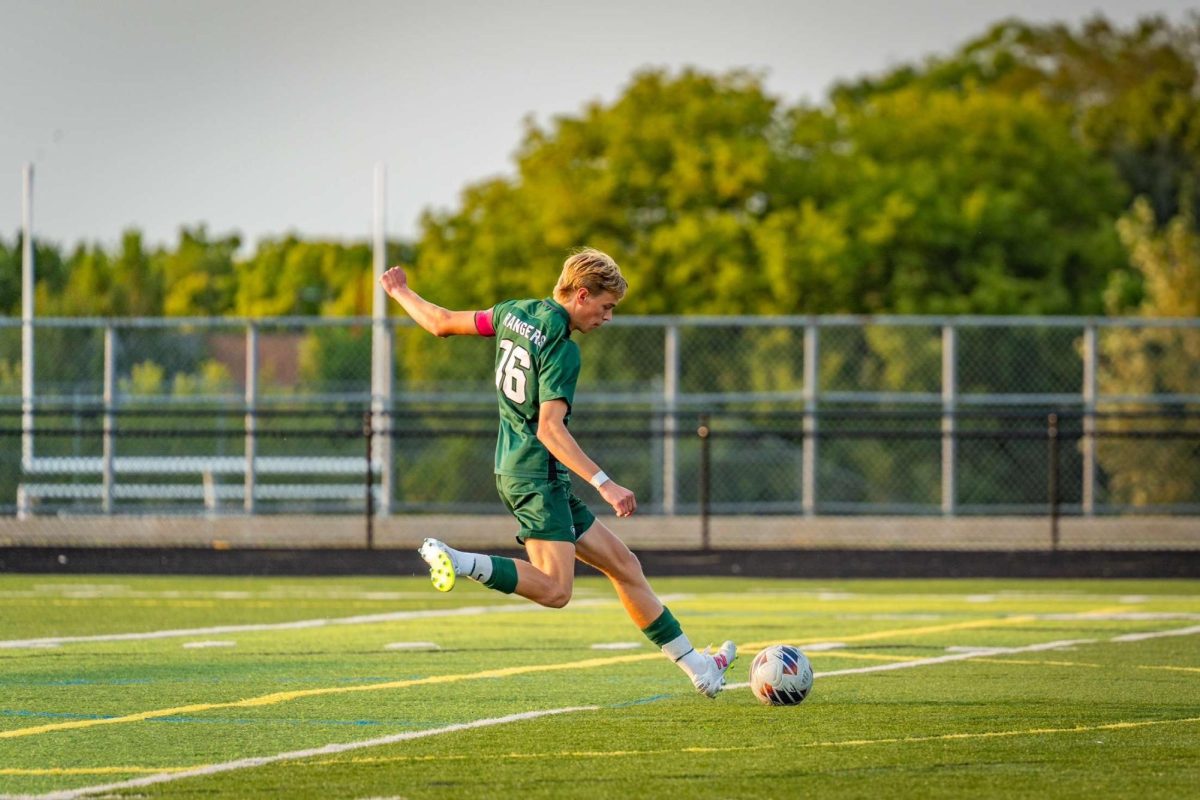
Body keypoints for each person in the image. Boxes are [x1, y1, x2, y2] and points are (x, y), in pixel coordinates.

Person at [380, 248, 736, 697]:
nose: (608, 318)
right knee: (555, 590)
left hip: (522, 469)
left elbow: (440, 321)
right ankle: (460, 560)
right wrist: (606, 484)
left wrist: (400, 291)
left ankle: (699, 668)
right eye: (605, 307)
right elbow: (550, 429)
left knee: (625, 566)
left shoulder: (513, 312)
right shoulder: (563, 349)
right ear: (582, 294)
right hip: (536, 475)